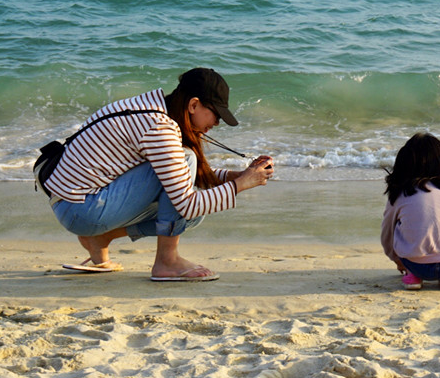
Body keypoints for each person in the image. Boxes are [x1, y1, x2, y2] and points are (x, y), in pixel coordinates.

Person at [44, 67, 274, 282]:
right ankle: (167, 261)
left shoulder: (154, 109)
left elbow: (173, 173)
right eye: (216, 114)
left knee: (192, 214)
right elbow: (186, 204)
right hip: (82, 209)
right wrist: (242, 184)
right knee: (188, 171)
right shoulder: (160, 127)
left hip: (74, 204)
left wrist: (238, 175)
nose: (217, 123)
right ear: (194, 105)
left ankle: (101, 238)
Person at [381, 133, 440, 291]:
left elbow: (387, 233)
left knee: (399, 227)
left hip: (417, 265)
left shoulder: (400, 196)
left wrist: (397, 259)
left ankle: (413, 275)